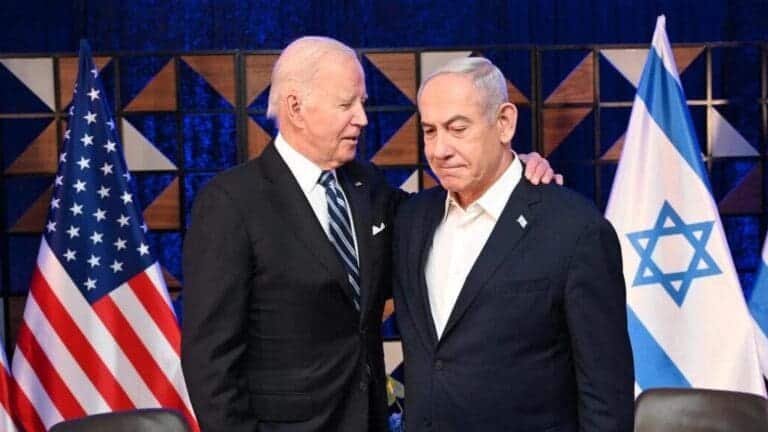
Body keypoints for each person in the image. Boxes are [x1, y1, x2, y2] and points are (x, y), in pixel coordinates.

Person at [181, 37, 556, 432]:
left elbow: (443, 215)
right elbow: (210, 362)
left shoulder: (368, 185)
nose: (362, 118)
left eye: (361, 103)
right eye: (346, 105)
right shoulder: (231, 203)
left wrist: (508, 168)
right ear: (295, 108)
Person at [392, 57, 634, 431]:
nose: (440, 149)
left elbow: (605, 395)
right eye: (430, 131)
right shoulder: (411, 220)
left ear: (504, 122)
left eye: (458, 129)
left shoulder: (575, 229)